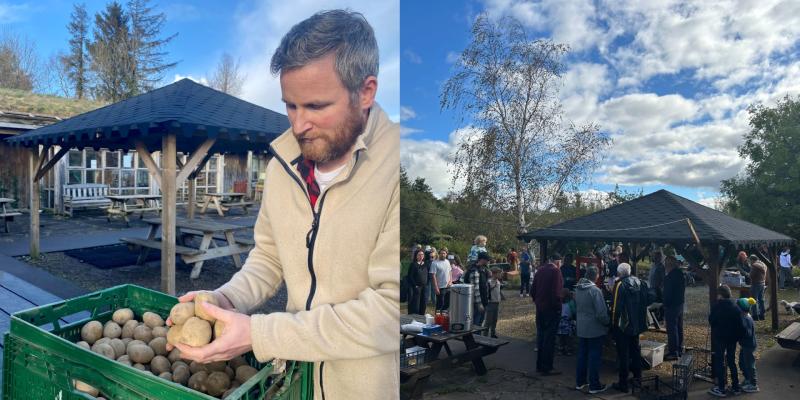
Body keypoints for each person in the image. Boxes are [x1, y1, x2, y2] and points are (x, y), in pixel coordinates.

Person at [166, 10, 399, 400]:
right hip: (293, 381)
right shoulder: (282, 164)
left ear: (366, 91)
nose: (298, 125)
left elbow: (389, 310)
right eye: (290, 105)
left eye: (316, 106)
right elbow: (269, 258)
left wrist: (261, 334)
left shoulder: (395, 169)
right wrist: (226, 299)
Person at [610, 263, 649, 393]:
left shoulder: (619, 285)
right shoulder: (640, 282)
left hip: (623, 325)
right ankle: (638, 378)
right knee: (636, 351)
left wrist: (613, 325)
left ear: (619, 273)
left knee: (623, 354)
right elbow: (645, 302)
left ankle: (623, 384)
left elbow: (616, 307)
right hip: (636, 324)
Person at [575, 266, 609, 394]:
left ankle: (580, 381)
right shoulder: (595, 291)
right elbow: (601, 313)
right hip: (594, 328)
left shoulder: (578, 288)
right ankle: (594, 385)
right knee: (594, 356)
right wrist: (607, 323)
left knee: (582, 355)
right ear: (596, 276)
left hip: (582, 326)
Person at [708, 285, 746, 397]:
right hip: (732, 339)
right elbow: (741, 326)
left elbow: (711, 321)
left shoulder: (717, 307)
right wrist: (738, 337)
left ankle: (721, 387)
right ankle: (735, 386)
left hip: (720, 338)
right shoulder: (736, 307)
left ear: (720, 295)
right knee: (731, 361)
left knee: (719, 362)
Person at [531, 252, 564, 375]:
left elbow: (532, 290)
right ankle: (547, 367)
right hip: (551, 309)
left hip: (540, 308)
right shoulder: (556, 272)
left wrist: (538, 302)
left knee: (541, 337)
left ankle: (539, 365)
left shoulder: (540, 270)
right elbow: (556, 293)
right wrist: (558, 307)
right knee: (549, 339)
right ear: (558, 262)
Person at [662, 247, 685, 361]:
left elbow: (668, 294)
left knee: (672, 329)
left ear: (669, 265)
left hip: (672, 306)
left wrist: (664, 304)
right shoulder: (680, 274)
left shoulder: (669, 277)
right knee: (679, 327)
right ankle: (680, 348)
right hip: (680, 304)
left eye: (666, 264)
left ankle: (673, 352)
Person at [737, 297, 760, 393]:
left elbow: (748, 333)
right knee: (742, 362)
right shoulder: (745, 316)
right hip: (745, 345)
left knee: (749, 364)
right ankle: (747, 379)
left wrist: (738, 333)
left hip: (749, 345)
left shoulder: (746, 319)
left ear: (741, 309)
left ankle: (753, 384)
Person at [465, 251, 490, 329]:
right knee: (476, 323)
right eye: (487, 260)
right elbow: (475, 289)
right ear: (482, 260)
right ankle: (475, 339)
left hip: (483, 300)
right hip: (477, 303)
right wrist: (479, 304)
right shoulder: (474, 271)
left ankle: (477, 338)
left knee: (480, 322)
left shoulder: (483, 269)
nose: (488, 261)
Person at [406, 249, 429, 315]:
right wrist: (415, 285)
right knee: (416, 304)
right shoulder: (413, 265)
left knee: (423, 303)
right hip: (416, 287)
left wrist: (427, 283)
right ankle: (415, 318)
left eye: (422, 254)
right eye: (419, 255)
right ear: (416, 256)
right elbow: (410, 276)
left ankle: (421, 317)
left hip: (424, 287)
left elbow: (428, 274)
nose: (421, 256)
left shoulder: (426, 264)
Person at [556, 288, 576, 356]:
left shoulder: (560, 302)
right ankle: (569, 350)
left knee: (561, 337)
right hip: (568, 321)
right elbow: (574, 311)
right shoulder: (571, 302)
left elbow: (558, 311)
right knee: (569, 337)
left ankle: (561, 349)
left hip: (560, 321)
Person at [485, 267, 503, 338]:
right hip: (491, 303)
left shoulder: (498, 281)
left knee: (494, 320)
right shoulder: (489, 282)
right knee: (488, 321)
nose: (500, 275)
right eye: (499, 273)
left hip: (496, 302)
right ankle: (485, 335)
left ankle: (493, 333)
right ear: (494, 274)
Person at [748, 255, 767, 321]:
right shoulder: (763, 264)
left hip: (755, 283)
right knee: (761, 300)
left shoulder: (754, 266)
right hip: (762, 283)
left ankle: (755, 316)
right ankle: (762, 315)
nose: (749, 262)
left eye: (750, 260)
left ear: (752, 260)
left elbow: (751, 275)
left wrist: (748, 273)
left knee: (753, 300)